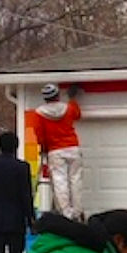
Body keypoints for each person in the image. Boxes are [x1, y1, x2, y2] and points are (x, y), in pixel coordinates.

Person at [33, 83, 84, 221]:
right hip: (73, 147)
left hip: (55, 150)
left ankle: (67, 213)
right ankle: (78, 211)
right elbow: (77, 115)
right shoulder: (68, 107)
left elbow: (39, 134)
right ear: (57, 95)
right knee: (75, 179)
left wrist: (43, 147)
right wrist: (72, 98)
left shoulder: (39, 113)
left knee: (60, 181)